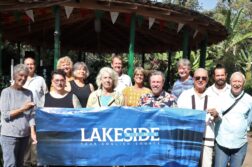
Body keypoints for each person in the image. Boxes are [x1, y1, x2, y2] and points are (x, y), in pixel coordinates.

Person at [177, 68, 220, 167]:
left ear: (208, 79)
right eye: (197, 78)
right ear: (193, 79)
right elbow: (178, 117)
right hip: (188, 140)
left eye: (204, 78)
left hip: (207, 140)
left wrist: (216, 115)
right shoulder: (184, 95)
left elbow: (218, 119)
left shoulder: (214, 96)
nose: (200, 80)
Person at [0, 64, 37, 167]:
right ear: (14, 75)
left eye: (26, 76)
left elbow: (31, 115)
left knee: (20, 164)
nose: (23, 78)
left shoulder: (29, 93)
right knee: (10, 164)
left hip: (24, 135)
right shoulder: (6, 92)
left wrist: (33, 133)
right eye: (21, 75)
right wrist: (23, 109)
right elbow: (6, 115)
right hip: (9, 136)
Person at [214, 72, 252, 167]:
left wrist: (241, 128)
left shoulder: (249, 100)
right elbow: (217, 115)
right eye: (234, 81)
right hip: (222, 141)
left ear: (243, 83)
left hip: (240, 143)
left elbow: (249, 120)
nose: (236, 84)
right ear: (230, 82)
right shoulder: (222, 97)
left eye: (239, 81)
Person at [23, 56, 48, 166]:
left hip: (37, 117)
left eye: (31, 64)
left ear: (35, 66)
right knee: (25, 145)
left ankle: (36, 163)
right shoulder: (18, 79)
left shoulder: (40, 80)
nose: (29, 66)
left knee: (36, 145)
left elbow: (46, 96)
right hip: (22, 117)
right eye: (27, 64)